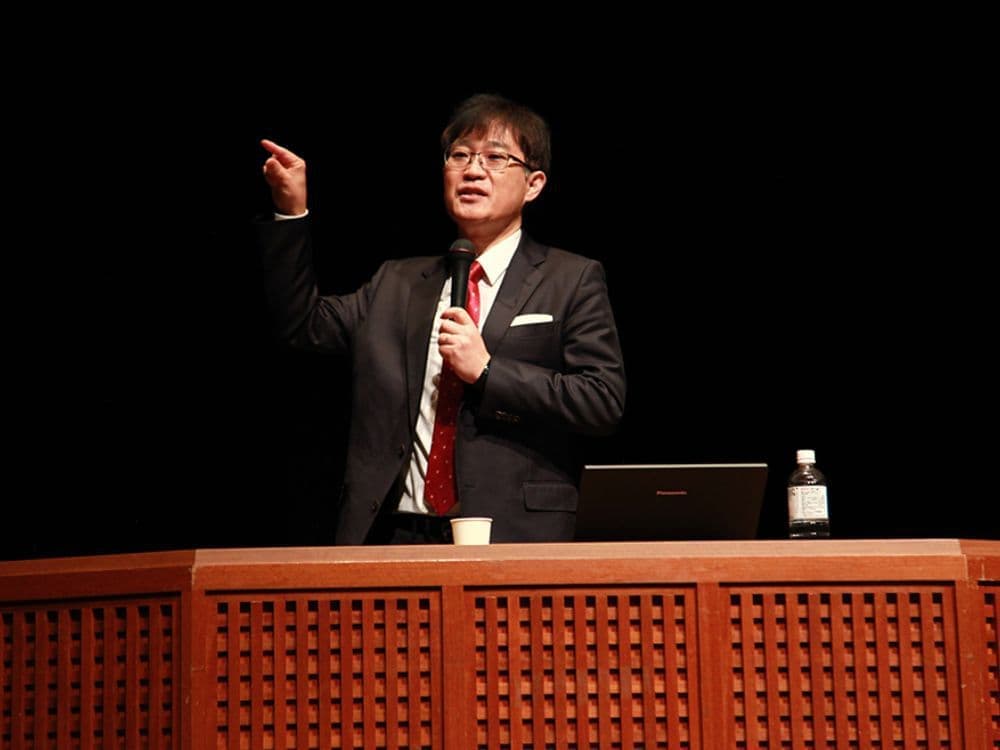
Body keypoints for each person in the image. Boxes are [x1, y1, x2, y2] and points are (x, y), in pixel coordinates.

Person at [255, 93, 625, 544]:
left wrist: (488, 372)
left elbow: (601, 399)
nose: (473, 170)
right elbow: (302, 325)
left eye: (495, 158)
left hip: (513, 535)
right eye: (460, 155)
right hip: (396, 533)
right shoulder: (397, 282)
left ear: (534, 184)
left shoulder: (571, 278)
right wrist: (290, 211)